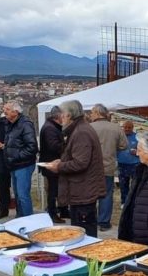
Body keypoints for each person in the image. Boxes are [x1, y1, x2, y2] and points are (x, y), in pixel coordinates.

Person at [42, 100, 105, 237]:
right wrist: (62, 161)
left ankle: (88, 259)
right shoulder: (79, 129)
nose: (60, 117)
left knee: (84, 236)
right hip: (81, 190)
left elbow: (81, 163)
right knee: (80, 233)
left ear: (69, 115)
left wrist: (59, 166)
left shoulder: (81, 132)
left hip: (83, 191)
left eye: (62, 114)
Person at [90, 104, 127, 231]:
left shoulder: (89, 128)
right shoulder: (115, 128)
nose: (90, 115)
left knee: (91, 194)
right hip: (108, 166)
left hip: (91, 168)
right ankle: (104, 222)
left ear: (97, 113)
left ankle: (91, 220)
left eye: (92, 113)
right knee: (106, 195)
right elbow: (124, 145)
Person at [1, 101, 38, 217]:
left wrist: (15, 156)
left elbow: (32, 147)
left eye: (7, 109)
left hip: (24, 165)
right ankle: (21, 219)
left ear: (15, 112)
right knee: (17, 195)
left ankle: (29, 221)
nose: (4, 111)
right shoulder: (9, 124)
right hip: (14, 165)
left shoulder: (25, 124)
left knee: (23, 195)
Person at [39, 106, 67, 223]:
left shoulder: (52, 127)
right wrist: (67, 144)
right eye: (63, 115)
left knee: (58, 189)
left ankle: (63, 210)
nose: (64, 118)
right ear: (58, 116)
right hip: (51, 164)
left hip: (53, 163)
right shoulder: (50, 128)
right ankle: (52, 213)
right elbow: (54, 146)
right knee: (53, 190)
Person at [117, 120, 140, 207]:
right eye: (125, 127)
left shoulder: (137, 137)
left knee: (135, 184)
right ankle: (124, 202)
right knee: (123, 185)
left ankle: (134, 202)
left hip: (134, 164)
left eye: (129, 127)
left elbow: (143, 150)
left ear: (132, 128)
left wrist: (137, 152)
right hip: (122, 164)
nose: (127, 129)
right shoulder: (119, 136)